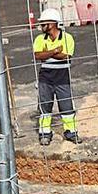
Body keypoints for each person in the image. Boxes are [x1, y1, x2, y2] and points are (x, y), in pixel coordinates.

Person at [33, 9, 79, 145]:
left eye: (44, 23)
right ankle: (45, 133)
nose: (41, 26)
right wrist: (54, 51)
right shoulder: (40, 39)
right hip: (45, 78)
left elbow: (66, 56)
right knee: (45, 106)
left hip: (62, 78)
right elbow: (37, 55)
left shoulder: (67, 38)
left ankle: (71, 132)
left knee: (66, 106)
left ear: (53, 23)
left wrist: (47, 53)